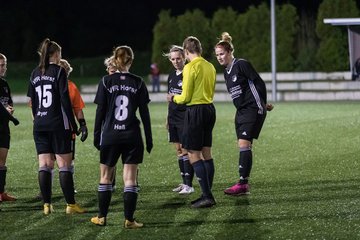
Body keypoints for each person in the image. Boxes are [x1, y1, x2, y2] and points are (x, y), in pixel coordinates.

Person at [91, 45, 152, 228]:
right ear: (131, 61)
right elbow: (145, 114)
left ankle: (101, 217)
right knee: (130, 179)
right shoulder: (138, 82)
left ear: (115, 61)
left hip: (110, 135)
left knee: (105, 176)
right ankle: (129, 220)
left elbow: (100, 112)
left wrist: (96, 135)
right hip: (132, 135)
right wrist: (149, 138)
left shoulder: (105, 81)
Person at [27, 38, 86, 215]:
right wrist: (75, 125)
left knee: (44, 165)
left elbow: (34, 102)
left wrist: (38, 119)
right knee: (64, 165)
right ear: (57, 54)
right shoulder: (59, 71)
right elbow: (64, 100)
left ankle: (47, 205)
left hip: (39, 124)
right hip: (58, 124)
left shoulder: (35, 73)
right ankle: (70, 205)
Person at [214, 32, 273, 196]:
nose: (219, 57)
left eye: (222, 54)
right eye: (217, 55)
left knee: (244, 144)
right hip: (242, 111)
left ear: (230, 52)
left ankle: (242, 184)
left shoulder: (241, 64)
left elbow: (258, 82)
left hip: (252, 109)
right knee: (244, 145)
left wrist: (262, 102)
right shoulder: (226, 72)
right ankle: (243, 183)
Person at [167, 36, 216, 208]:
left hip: (195, 111)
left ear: (186, 51)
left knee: (193, 153)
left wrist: (173, 97)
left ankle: (207, 196)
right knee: (206, 153)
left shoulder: (190, 67)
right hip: (209, 109)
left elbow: (185, 97)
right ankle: (207, 191)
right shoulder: (210, 66)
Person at [163, 45, 194, 195]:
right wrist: (168, 118)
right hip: (173, 118)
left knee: (186, 150)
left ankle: (189, 184)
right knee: (179, 150)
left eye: (178, 58)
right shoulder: (171, 75)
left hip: (184, 117)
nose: (176, 61)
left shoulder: (188, 73)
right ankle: (184, 182)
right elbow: (170, 99)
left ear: (184, 58)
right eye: (173, 59)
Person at [0, 53, 19, 203]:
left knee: (2, 162)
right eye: (0, 65)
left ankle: (1, 193)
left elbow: (9, 102)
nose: (3, 68)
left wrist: (9, 109)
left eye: (4, 65)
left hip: (4, 127)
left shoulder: (5, 84)